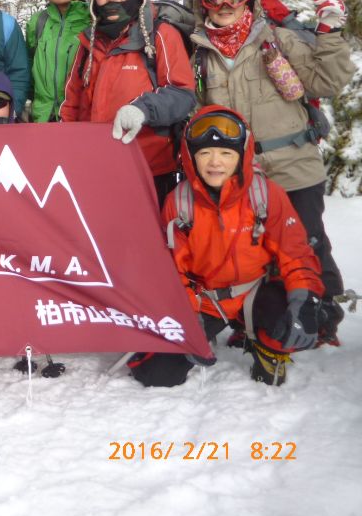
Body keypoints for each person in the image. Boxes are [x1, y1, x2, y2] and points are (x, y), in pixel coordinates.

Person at [191, 0, 354, 343]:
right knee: (249, 245)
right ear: (205, 3)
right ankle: (265, 317)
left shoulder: (277, 40)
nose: (225, 3)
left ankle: (322, 315)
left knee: (308, 241)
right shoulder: (200, 54)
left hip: (293, 163)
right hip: (236, 172)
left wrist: (329, 33)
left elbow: (327, 81)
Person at [128, 106, 325, 388]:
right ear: (191, 156)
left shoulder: (265, 194)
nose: (215, 162)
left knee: (289, 320)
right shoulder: (179, 203)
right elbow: (171, 270)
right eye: (205, 153)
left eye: (226, 154)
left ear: (241, 155)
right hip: (205, 301)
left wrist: (305, 300)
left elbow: (295, 254)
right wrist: (186, 317)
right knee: (159, 374)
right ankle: (199, 337)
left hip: (255, 291)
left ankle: (267, 347)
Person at [59, 0, 195, 207]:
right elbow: (72, 101)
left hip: (148, 164)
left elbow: (182, 92)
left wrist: (142, 109)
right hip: (95, 164)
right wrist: (65, 145)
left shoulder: (160, 34)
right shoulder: (89, 43)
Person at [26, 0, 91, 122]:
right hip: (42, 120)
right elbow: (30, 71)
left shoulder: (94, 21)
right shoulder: (37, 22)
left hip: (81, 120)